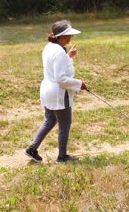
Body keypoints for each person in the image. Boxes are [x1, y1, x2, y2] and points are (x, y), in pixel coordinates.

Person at [25, 20, 87, 163]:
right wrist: (79, 83)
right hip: (58, 93)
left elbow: (58, 66)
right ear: (61, 37)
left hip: (47, 90)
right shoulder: (59, 52)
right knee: (65, 125)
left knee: (50, 120)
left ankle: (31, 149)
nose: (71, 38)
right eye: (68, 35)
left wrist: (69, 57)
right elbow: (61, 78)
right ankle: (62, 157)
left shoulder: (49, 47)